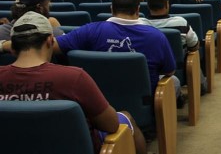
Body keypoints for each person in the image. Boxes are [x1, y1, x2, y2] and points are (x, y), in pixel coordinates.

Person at [0, 12, 147, 154]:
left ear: (12, 48)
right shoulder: (74, 78)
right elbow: (111, 124)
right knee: (125, 116)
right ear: (50, 41)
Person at [52, 0, 177, 96]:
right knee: (174, 82)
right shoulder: (156, 36)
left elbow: (53, 46)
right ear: (138, 10)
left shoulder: (89, 30)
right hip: (143, 104)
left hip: (95, 105)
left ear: (111, 9)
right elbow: (169, 71)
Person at [141, 0, 208, 95]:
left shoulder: (139, 24)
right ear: (167, 4)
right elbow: (194, 46)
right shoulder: (180, 22)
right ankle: (201, 85)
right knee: (191, 55)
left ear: (148, 5)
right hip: (178, 71)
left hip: (147, 72)